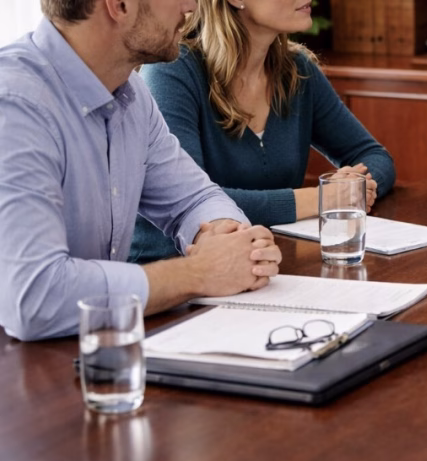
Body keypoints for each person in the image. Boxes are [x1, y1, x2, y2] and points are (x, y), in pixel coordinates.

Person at [0, 0, 283, 341]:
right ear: (119, 5)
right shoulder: (14, 104)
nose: (191, 6)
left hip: (89, 354)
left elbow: (194, 198)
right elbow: (33, 297)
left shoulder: (131, 93)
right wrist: (199, 273)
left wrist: (226, 237)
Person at [129, 0, 395, 264]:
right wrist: (324, 197)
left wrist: (354, 188)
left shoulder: (297, 70)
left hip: (262, 264)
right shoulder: (173, 69)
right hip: (171, 274)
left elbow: (373, 155)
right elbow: (191, 202)